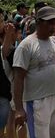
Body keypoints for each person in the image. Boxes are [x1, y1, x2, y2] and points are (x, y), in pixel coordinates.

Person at [13, 6, 55, 138]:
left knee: (54, 135)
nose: (54, 26)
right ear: (38, 22)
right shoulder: (26, 45)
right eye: (50, 22)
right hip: (37, 101)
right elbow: (18, 78)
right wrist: (19, 109)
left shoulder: (54, 41)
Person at [1, 22, 27, 138]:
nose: (20, 35)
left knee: (11, 120)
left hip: (11, 91)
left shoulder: (13, 50)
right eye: (19, 32)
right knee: (17, 121)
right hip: (15, 91)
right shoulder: (12, 51)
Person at [0, 9, 12, 138]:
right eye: (1, 20)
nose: (3, 23)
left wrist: (8, 35)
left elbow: (4, 53)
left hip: (3, 93)